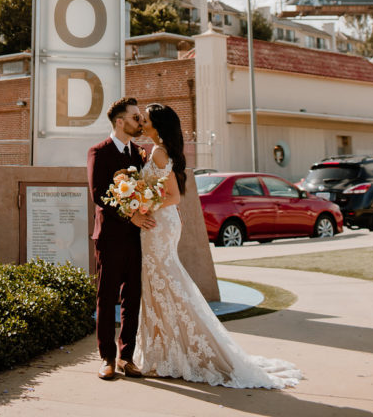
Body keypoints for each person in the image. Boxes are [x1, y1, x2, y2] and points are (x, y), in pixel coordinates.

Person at [133, 103, 303, 388]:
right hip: (162, 223)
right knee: (158, 282)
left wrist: (143, 205)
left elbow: (173, 196)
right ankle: (162, 351)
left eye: (147, 120)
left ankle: (178, 350)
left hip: (158, 225)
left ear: (158, 126)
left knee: (163, 281)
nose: (143, 123)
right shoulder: (157, 151)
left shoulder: (159, 152)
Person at [87, 96, 156, 381]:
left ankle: (127, 357)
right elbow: (99, 195)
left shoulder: (139, 153)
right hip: (110, 237)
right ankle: (107, 359)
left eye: (140, 117)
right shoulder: (98, 152)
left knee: (133, 297)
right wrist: (131, 216)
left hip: (137, 238)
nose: (140, 121)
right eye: (135, 117)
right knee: (107, 297)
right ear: (120, 121)